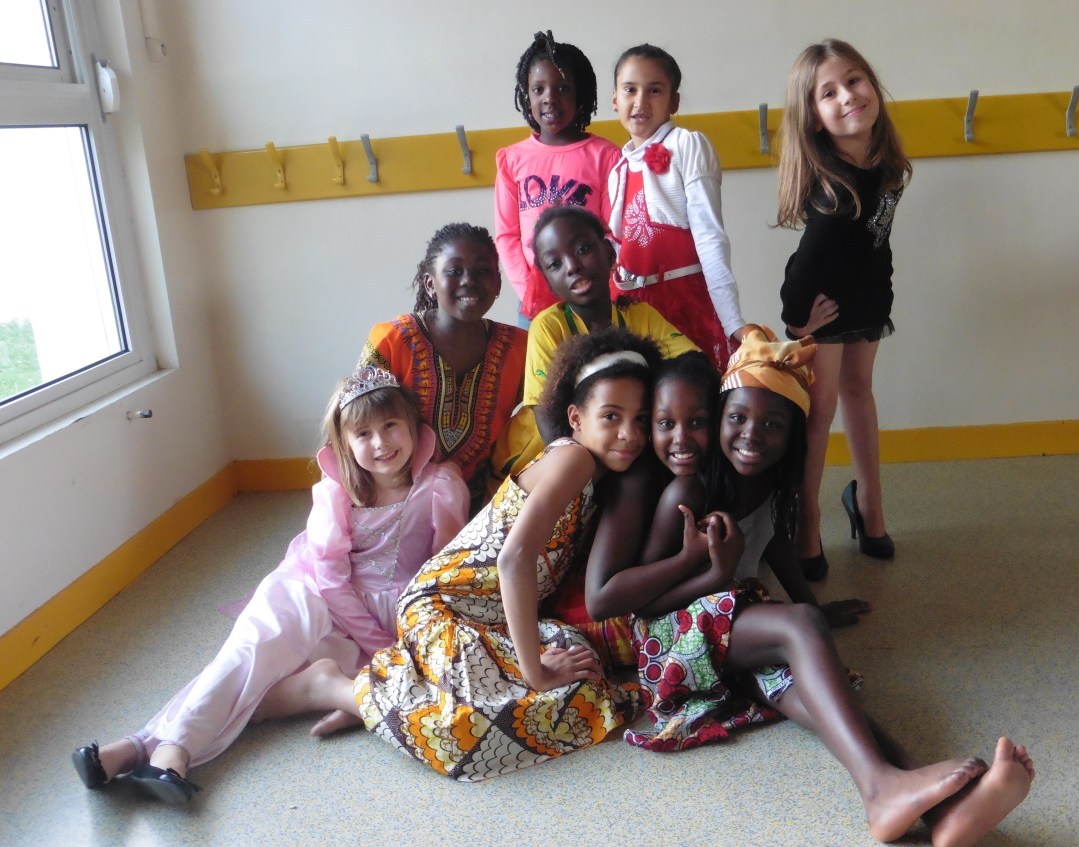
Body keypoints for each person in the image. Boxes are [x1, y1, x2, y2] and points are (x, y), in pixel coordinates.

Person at [604, 328, 1034, 847]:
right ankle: (880, 788)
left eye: (773, 425)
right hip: (669, 638)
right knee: (800, 630)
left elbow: (776, 544)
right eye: (737, 418)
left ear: (795, 437)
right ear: (720, 418)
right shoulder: (689, 489)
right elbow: (642, 606)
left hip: (724, 630)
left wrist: (815, 610)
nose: (752, 435)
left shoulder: (767, 480)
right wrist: (718, 577)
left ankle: (945, 814)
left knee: (820, 691)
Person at [257, 330, 665, 781]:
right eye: (611, 416)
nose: (629, 434)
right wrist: (535, 673)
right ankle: (331, 689)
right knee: (470, 733)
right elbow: (512, 560)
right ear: (576, 418)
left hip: (490, 619)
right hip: (439, 608)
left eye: (642, 420)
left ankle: (385, 703)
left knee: (583, 689)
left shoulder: (599, 473)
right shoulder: (574, 460)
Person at [71, 368, 469, 802]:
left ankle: (133, 748)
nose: (380, 443)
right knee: (250, 653)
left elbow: (444, 574)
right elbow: (331, 578)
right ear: (345, 444)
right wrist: (379, 647)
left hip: (386, 613)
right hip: (312, 588)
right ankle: (171, 751)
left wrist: (393, 645)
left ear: (413, 427)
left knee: (258, 683)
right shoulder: (336, 492)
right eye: (364, 434)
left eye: (390, 425)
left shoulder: (440, 486)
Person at [776, 39, 911, 580]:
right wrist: (796, 320)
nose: (848, 96)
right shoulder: (833, 188)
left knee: (860, 391)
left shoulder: (885, 164)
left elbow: (878, 242)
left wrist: (882, 295)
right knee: (821, 409)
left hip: (867, 296)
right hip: (824, 309)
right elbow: (802, 268)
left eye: (853, 81)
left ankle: (870, 505)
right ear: (813, 117)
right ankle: (806, 523)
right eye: (828, 93)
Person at [488, 205, 697, 490]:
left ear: (609, 254)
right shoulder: (548, 326)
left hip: (614, 448)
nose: (572, 266)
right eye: (555, 264)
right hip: (536, 464)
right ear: (549, 282)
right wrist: (587, 481)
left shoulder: (640, 316)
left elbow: (690, 364)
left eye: (583, 249)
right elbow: (548, 418)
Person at [358, 223, 526, 511]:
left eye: (482, 271)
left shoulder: (519, 347)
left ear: (498, 283)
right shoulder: (392, 340)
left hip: (483, 499)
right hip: (398, 498)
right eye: (454, 271)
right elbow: (355, 422)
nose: (469, 280)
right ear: (430, 283)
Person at [607, 44, 751, 369]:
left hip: (683, 304)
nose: (640, 101)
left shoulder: (687, 145)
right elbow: (618, 249)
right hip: (632, 313)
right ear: (615, 100)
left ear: (674, 102)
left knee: (691, 392)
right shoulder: (618, 169)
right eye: (630, 90)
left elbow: (710, 238)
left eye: (654, 90)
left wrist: (733, 322)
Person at [495, 31, 621, 327]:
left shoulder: (606, 155)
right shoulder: (511, 160)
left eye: (562, 88)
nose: (549, 98)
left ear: (580, 93)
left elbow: (614, 233)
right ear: (527, 95)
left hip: (592, 293)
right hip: (535, 301)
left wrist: (603, 287)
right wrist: (529, 292)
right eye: (538, 89)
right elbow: (507, 235)